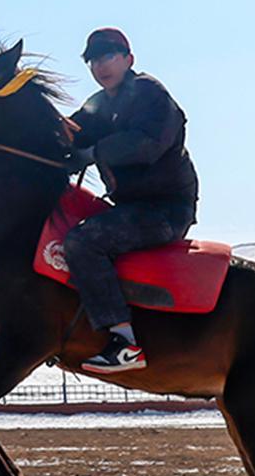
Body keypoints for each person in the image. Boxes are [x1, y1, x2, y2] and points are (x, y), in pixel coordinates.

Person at [60, 27, 199, 371]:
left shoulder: (150, 93)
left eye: (107, 56)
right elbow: (68, 133)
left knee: (82, 241)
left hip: (164, 210)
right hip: (130, 208)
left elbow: (148, 143)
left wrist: (94, 152)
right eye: (92, 60)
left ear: (129, 60)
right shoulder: (99, 104)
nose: (99, 66)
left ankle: (125, 344)